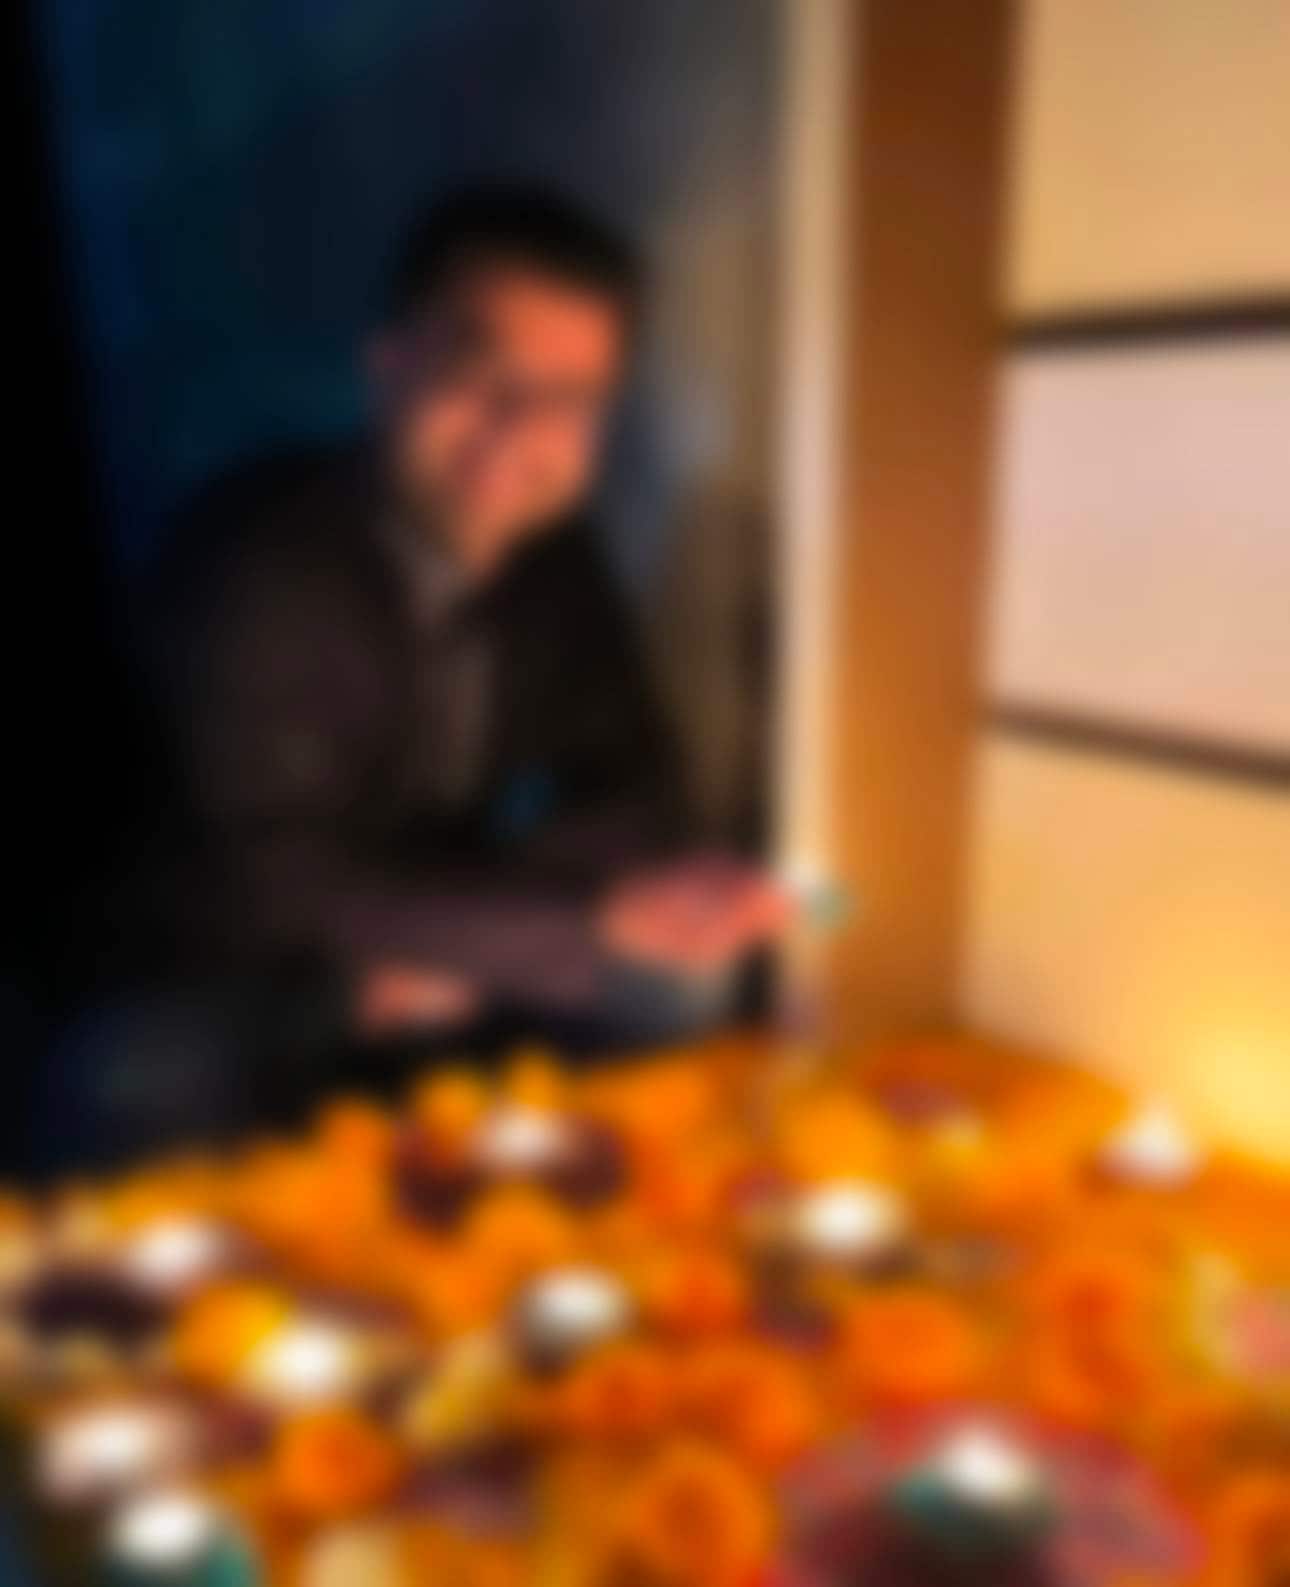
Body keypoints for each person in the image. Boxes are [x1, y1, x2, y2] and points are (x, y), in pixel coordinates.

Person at [31, 187, 787, 1172]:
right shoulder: (265, 564)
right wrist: (566, 919)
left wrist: (584, 902)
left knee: (685, 986)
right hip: (212, 962)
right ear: (390, 363)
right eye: (484, 376)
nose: (522, 428)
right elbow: (262, 881)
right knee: (140, 1068)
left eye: (571, 399)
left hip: (426, 937)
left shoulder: (557, 562)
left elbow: (632, 782)